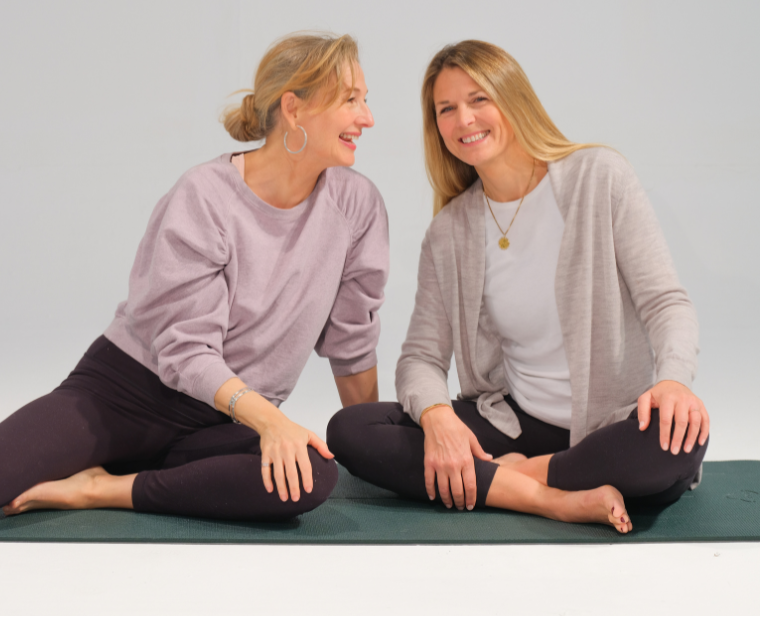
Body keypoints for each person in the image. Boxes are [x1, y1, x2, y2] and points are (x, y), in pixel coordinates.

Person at [0, 33, 388, 521]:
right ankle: (150, 473)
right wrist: (271, 421)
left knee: (312, 473)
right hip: (126, 396)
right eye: (351, 100)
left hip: (222, 424)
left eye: (365, 100)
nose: (367, 118)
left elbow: (352, 342)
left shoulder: (357, 206)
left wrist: (368, 450)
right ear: (293, 109)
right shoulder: (205, 195)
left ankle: (102, 488)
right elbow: (185, 352)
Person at [327, 40, 708, 533]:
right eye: (447, 109)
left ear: (512, 99)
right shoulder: (449, 232)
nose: (464, 119)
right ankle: (554, 499)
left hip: (610, 425)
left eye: (478, 99)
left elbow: (666, 303)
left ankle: (513, 478)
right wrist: (439, 418)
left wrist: (674, 380)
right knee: (352, 430)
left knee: (675, 444)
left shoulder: (600, 177)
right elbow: (421, 357)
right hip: (512, 423)